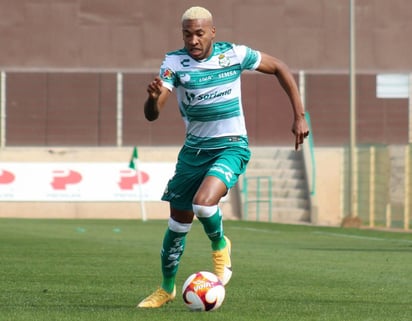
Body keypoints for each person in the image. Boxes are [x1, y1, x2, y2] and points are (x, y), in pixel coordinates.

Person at [137, 6, 309, 308]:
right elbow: (152, 114)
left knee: (203, 204)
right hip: (193, 153)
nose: (193, 40)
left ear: (212, 32)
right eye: (187, 34)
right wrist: (152, 100)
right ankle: (166, 289)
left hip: (231, 145)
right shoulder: (174, 62)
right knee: (177, 226)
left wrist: (300, 115)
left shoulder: (234, 55)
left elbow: (280, 67)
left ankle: (220, 245)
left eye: (199, 33)